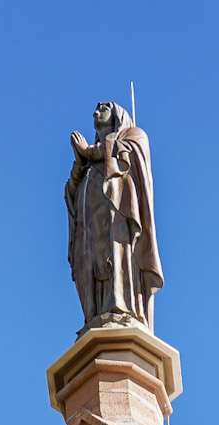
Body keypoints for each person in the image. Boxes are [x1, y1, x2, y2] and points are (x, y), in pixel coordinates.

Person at [65, 102, 163, 331]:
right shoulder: (90, 164)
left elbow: (125, 155)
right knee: (89, 271)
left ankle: (122, 309)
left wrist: (88, 151)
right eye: (95, 109)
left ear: (118, 115)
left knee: (119, 262)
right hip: (90, 233)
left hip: (117, 223)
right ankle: (94, 315)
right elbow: (71, 194)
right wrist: (81, 163)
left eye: (103, 108)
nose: (96, 112)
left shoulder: (134, 136)